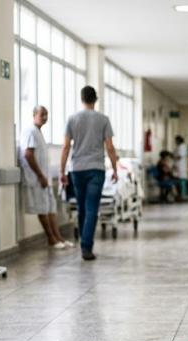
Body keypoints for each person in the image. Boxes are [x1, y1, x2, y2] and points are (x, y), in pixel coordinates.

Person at [60, 86, 119, 261]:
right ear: (96, 99)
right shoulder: (103, 120)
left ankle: (84, 244)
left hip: (77, 169)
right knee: (92, 207)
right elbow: (109, 147)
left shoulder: (72, 119)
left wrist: (62, 171)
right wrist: (115, 169)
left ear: (82, 99)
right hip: (96, 169)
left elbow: (65, 147)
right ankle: (86, 246)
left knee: (82, 207)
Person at [19, 106, 72, 250]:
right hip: (37, 178)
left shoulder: (38, 132)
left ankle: (58, 237)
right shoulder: (30, 131)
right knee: (43, 208)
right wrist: (40, 176)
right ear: (34, 114)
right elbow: (28, 155)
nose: (44, 117)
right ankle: (51, 239)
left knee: (51, 207)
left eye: (46, 115)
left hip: (44, 178)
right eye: (42, 114)